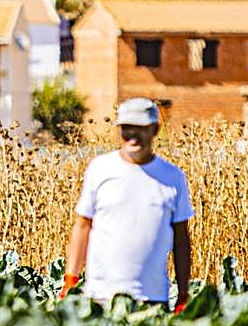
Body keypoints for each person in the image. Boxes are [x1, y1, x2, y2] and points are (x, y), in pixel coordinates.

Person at [62, 97, 193, 311]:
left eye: (140, 128)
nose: (133, 135)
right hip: (101, 297)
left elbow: (181, 238)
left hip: (152, 299)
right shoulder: (100, 169)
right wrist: (71, 278)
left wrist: (183, 292)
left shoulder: (173, 177)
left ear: (155, 130)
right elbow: (83, 225)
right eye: (127, 128)